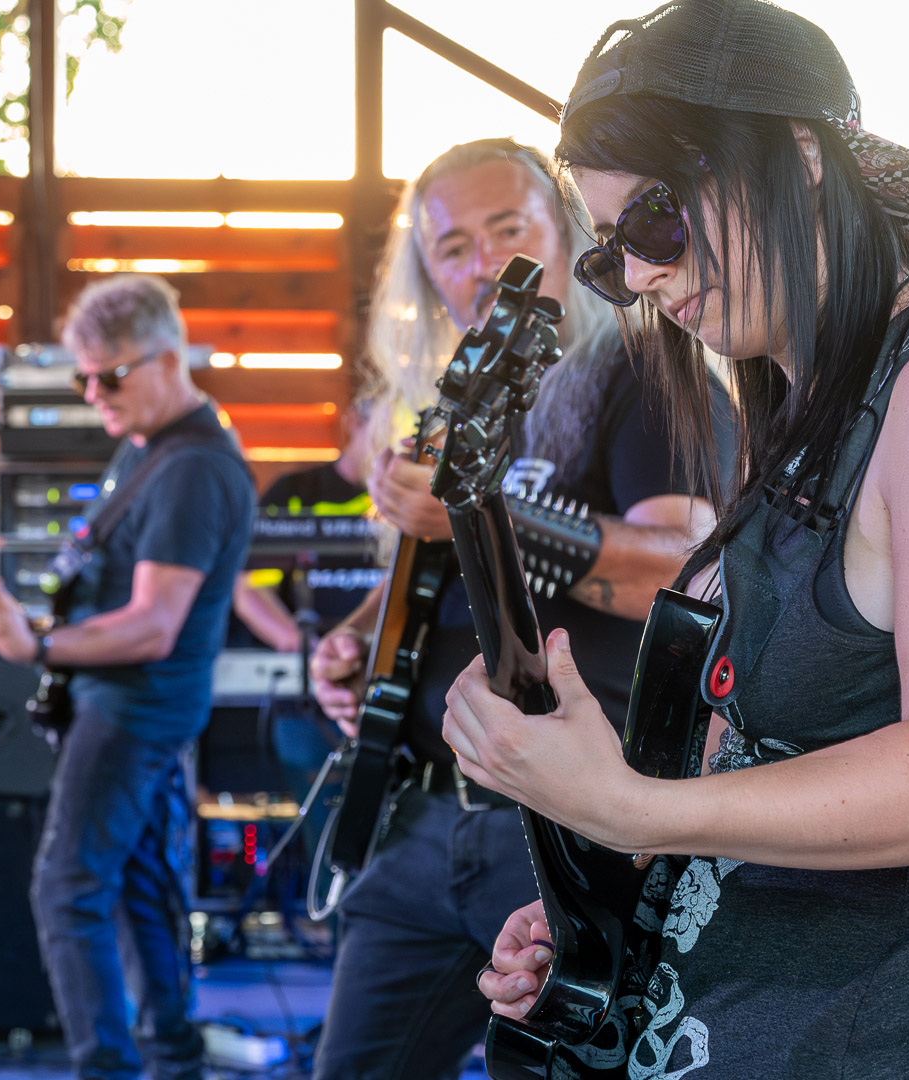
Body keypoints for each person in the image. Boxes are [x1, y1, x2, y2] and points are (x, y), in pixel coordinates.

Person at [458, 2, 909, 1076]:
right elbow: (771, 766)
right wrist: (615, 915)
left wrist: (627, 809)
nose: (636, 277)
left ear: (796, 155)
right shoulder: (803, 413)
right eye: (610, 255)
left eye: (653, 223)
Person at [307, 138, 724, 1080]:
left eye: (507, 230)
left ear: (565, 233)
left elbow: (685, 567)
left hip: (563, 824)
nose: (482, 263)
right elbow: (443, 574)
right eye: (451, 247)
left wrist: (478, 503)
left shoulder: (644, 371)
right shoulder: (463, 405)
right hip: (420, 818)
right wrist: (355, 641)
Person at [0, 274, 255, 1080]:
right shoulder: (150, 449)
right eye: (84, 379)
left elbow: (153, 625)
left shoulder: (193, 469)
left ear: (168, 360)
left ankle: (110, 1068)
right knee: (138, 886)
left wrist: (37, 646)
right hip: (126, 705)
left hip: (134, 711)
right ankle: (172, 1057)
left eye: (109, 377)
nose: (94, 395)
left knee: (67, 890)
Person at [232, 399, 379, 653]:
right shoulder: (294, 493)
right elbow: (251, 589)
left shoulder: (409, 503)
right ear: (355, 421)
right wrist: (305, 647)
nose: (397, 444)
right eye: (389, 430)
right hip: (307, 657)